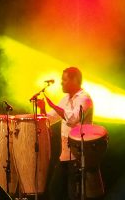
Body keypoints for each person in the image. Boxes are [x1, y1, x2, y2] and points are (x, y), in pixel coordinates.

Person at [37, 66, 94, 200]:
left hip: (78, 155)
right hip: (64, 156)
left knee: (73, 194)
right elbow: (49, 120)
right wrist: (43, 109)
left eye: (64, 80)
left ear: (74, 80)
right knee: (54, 190)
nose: (61, 83)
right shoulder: (66, 99)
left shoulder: (84, 99)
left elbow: (73, 119)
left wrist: (53, 105)